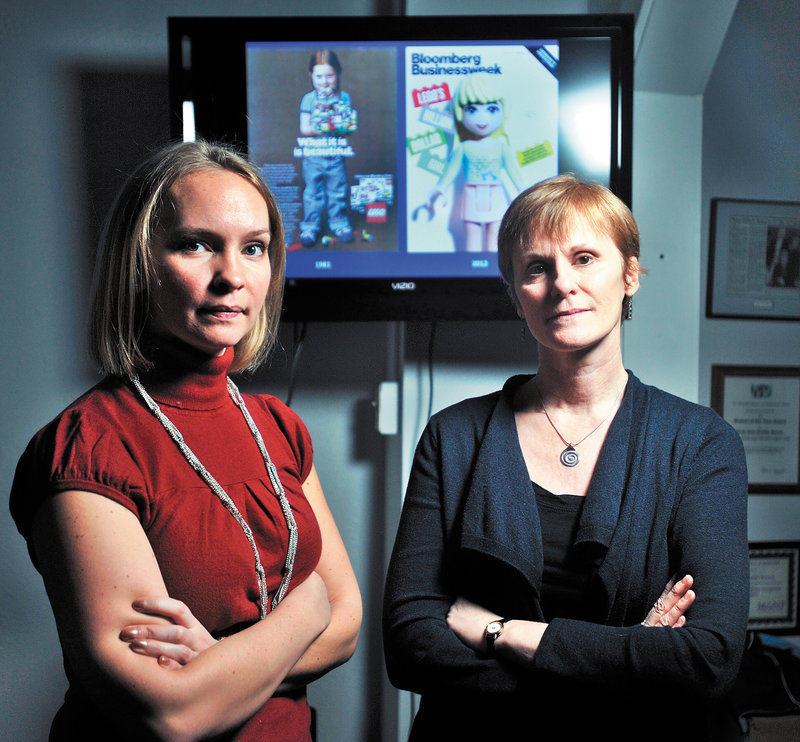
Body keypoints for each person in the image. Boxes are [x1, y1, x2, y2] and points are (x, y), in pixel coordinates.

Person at [10, 140, 362, 741]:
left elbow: (349, 625)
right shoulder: (86, 446)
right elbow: (172, 712)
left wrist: (222, 664)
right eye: (195, 244)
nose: (231, 276)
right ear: (139, 261)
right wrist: (310, 607)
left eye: (254, 248)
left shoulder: (278, 426)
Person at [383, 174, 749, 740]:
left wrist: (499, 631)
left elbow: (707, 658)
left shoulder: (702, 443)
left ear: (630, 274)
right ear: (515, 293)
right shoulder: (452, 436)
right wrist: (626, 663)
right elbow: (409, 644)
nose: (562, 285)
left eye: (584, 258)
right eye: (536, 268)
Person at [419, 73, 526, 252]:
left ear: (502, 111)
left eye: (491, 109)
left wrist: (526, 194)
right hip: (471, 195)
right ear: (461, 113)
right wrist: (440, 188)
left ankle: (495, 277)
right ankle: (473, 272)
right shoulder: (463, 147)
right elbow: (451, 171)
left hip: (495, 194)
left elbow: (514, 173)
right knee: (473, 239)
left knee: (495, 240)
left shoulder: (501, 147)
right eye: (472, 110)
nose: (482, 118)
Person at [298, 49, 358, 247]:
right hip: (313, 157)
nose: (324, 81)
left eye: (329, 76)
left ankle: (339, 222)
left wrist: (343, 124)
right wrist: (326, 124)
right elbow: (304, 128)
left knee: (337, 191)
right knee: (312, 193)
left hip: (335, 156)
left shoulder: (344, 97)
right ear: (311, 76)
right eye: (319, 76)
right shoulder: (308, 99)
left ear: (337, 74)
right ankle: (310, 226)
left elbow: (348, 128)